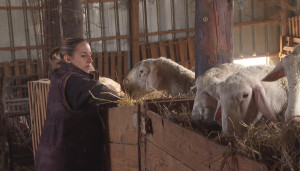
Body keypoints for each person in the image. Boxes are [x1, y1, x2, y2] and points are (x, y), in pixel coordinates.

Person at [35, 38, 119, 171]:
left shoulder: (60, 77)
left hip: (51, 159)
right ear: (68, 59)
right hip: (65, 163)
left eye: (90, 55)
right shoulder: (73, 81)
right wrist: (123, 98)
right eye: (83, 55)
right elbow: (101, 92)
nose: (90, 60)